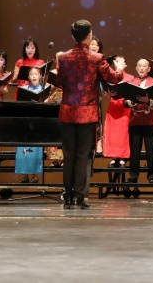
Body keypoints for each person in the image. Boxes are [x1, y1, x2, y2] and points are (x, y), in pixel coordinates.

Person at [55, 19, 125, 209]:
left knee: (69, 155)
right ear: (89, 35)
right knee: (82, 156)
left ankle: (67, 196)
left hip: (68, 112)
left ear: (73, 36)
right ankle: (79, 196)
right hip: (87, 113)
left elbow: (59, 82)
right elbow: (113, 78)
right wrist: (119, 68)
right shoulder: (96, 58)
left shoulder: (63, 58)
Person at [125, 59, 153, 184]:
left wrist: (147, 100)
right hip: (135, 121)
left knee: (152, 151)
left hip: (150, 121)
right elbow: (125, 101)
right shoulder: (131, 82)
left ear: (149, 69)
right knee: (134, 151)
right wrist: (132, 101)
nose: (141, 68)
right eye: (139, 66)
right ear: (136, 68)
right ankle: (133, 175)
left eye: (144, 66)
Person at [15, 66, 47, 183]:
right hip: (26, 121)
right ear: (28, 77)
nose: (34, 76)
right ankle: (25, 175)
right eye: (31, 74)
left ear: (40, 76)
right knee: (24, 148)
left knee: (36, 149)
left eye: (36, 74)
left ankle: (35, 176)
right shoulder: (23, 89)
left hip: (38, 122)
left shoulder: (44, 89)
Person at [102, 56, 132, 169]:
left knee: (123, 133)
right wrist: (108, 93)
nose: (117, 64)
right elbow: (106, 95)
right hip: (113, 106)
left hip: (124, 107)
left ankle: (123, 157)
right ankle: (113, 156)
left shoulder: (130, 77)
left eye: (120, 61)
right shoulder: (110, 77)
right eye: (116, 62)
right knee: (112, 132)